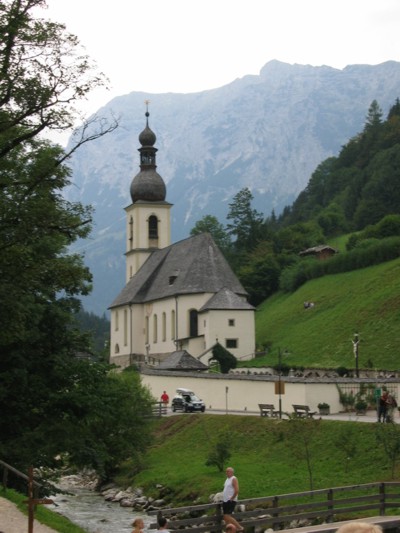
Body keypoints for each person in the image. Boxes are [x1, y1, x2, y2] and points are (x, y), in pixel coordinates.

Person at [222, 467, 243, 532]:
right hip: (225, 500)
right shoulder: (227, 479)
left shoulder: (234, 478)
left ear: (232, 472)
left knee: (227, 516)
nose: (226, 473)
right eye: (226, 471)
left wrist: (232, 498)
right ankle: (230, 531)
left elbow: (237, 490)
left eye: (228, 471)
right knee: (225, 518)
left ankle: (240, 528)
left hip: (230, 500)